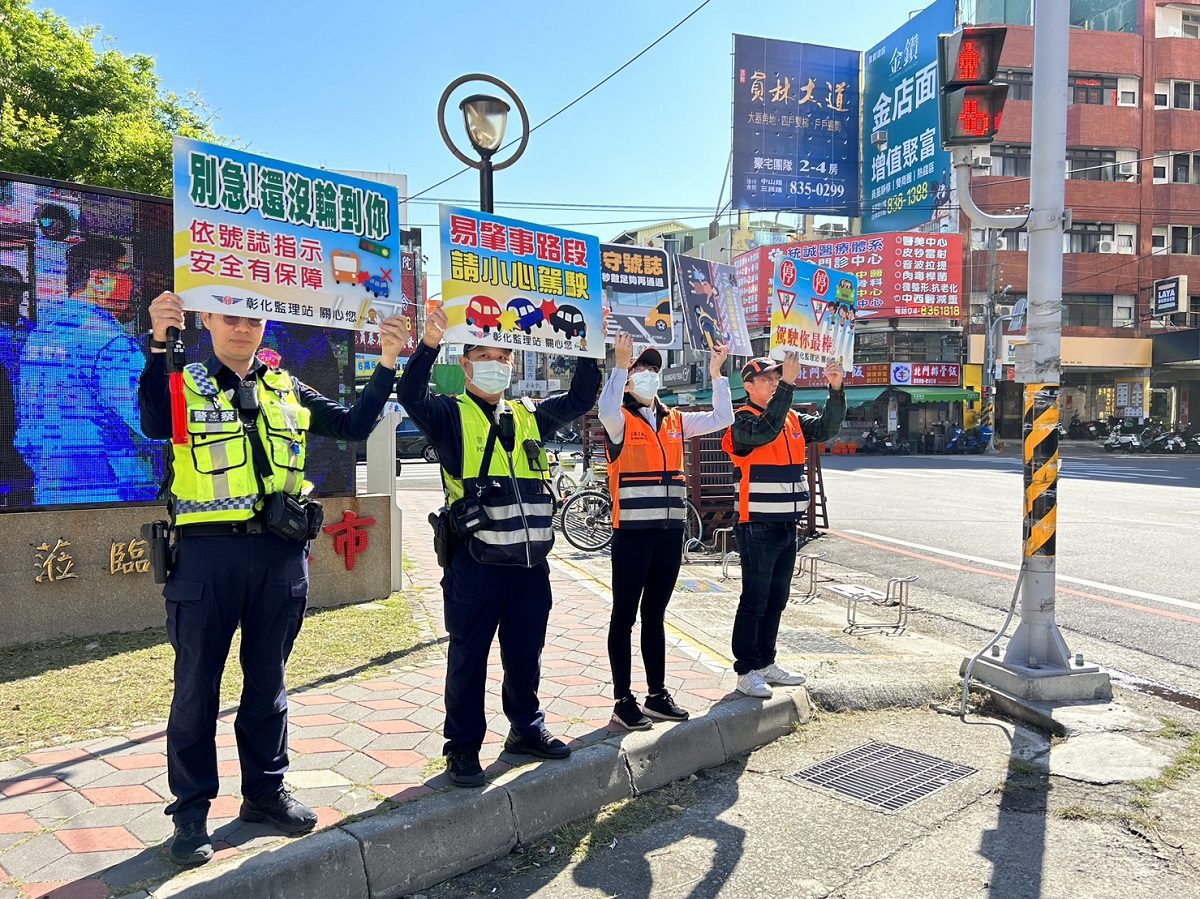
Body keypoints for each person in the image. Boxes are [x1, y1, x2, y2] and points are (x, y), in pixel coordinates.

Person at [139, 291, 407, 867]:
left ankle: (264, 792)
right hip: (207, 558)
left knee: (268, 680)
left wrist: (387, 362)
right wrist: (160, 343)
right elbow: (156, 421)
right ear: (205, 319)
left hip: (280, 554)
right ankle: (190, 813)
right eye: (228, 316)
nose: (241, 327)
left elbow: (357, 424)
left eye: (252, 316)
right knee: (196, 687)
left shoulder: (285, 387)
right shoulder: (182, 380)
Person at [398, 306, 600, 788]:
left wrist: (588, 347)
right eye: (484, 355)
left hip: (530, 563)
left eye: (504, 355)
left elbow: (579, 397)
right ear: (465, 365)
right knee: (468, 655)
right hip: (475, 563)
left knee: (525, 651)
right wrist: (428, 346)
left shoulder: (530, 415)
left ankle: (526, 729)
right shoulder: (450, 414)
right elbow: (410, 394)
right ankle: (463, 747)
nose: (497, 363)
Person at [599, 333, 732, 730]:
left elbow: (722, 418)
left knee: (655, 614)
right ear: (626, 380)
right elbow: (605, 405)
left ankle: (656, 694)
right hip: (633, 535)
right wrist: (620, 365)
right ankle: (623, 700)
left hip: (669, 534)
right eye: (641, 370)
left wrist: (716, 374)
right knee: (624, 617)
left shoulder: (675, 420)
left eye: (653, 370)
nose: (649, 376)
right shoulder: (618, 419)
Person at [721, 354, 845, 698]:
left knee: (777, 599)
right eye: (767, 379)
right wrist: (789, 387)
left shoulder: (790, 417)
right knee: (754, 599)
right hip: (757, 525)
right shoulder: (742, 422)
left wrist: (835, 390)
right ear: (747, 386)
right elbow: (765, 432)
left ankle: (766, 661)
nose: (775, 383)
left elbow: (826, 429)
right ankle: (746, 669)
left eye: (778, 378)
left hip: (787, 525)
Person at [16, 236, 157, 504]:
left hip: (50, 486)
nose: (132, 284)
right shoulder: (108, 340)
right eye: (125, 272)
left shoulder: (41, 333)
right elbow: (150, 421)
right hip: (111, 489)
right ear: (100, 280)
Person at [0, 265, 33, 506]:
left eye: (15, 292)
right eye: (3, 292)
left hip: (29, 419)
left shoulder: (35, 332)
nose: (9, 298)